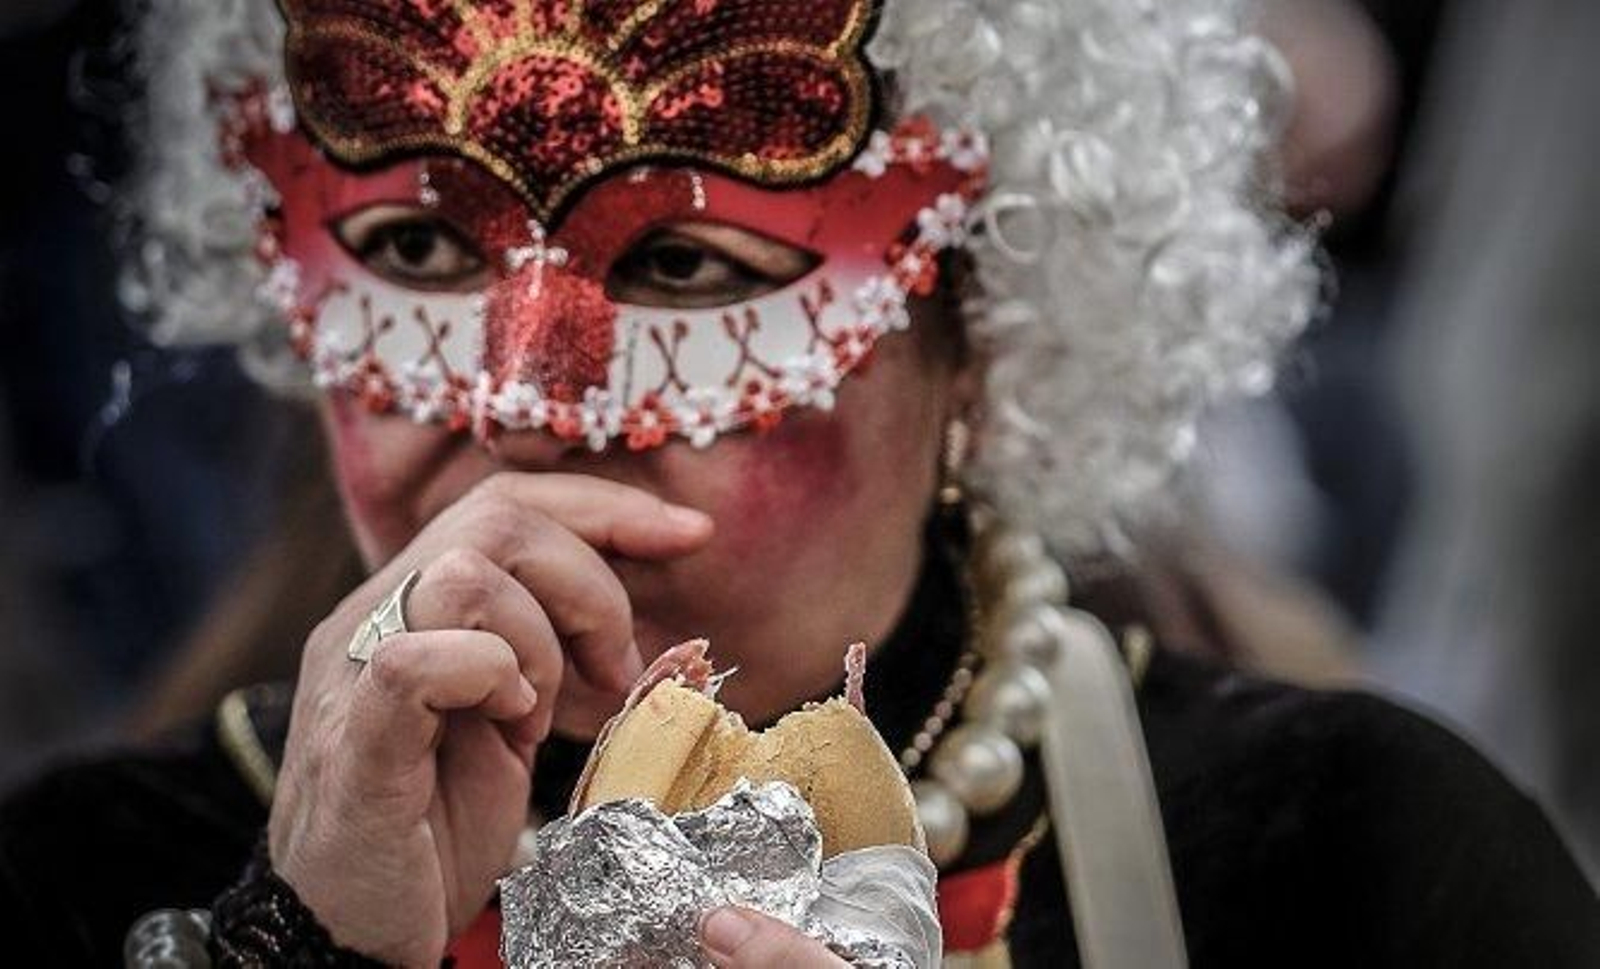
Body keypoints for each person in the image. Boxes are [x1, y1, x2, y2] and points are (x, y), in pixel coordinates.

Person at [1, 0, 1595, 966]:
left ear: (984, 343)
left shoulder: (1346, 866)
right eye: (415, 248)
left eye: (688, 267)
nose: (528, 403)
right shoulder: (87, 879)